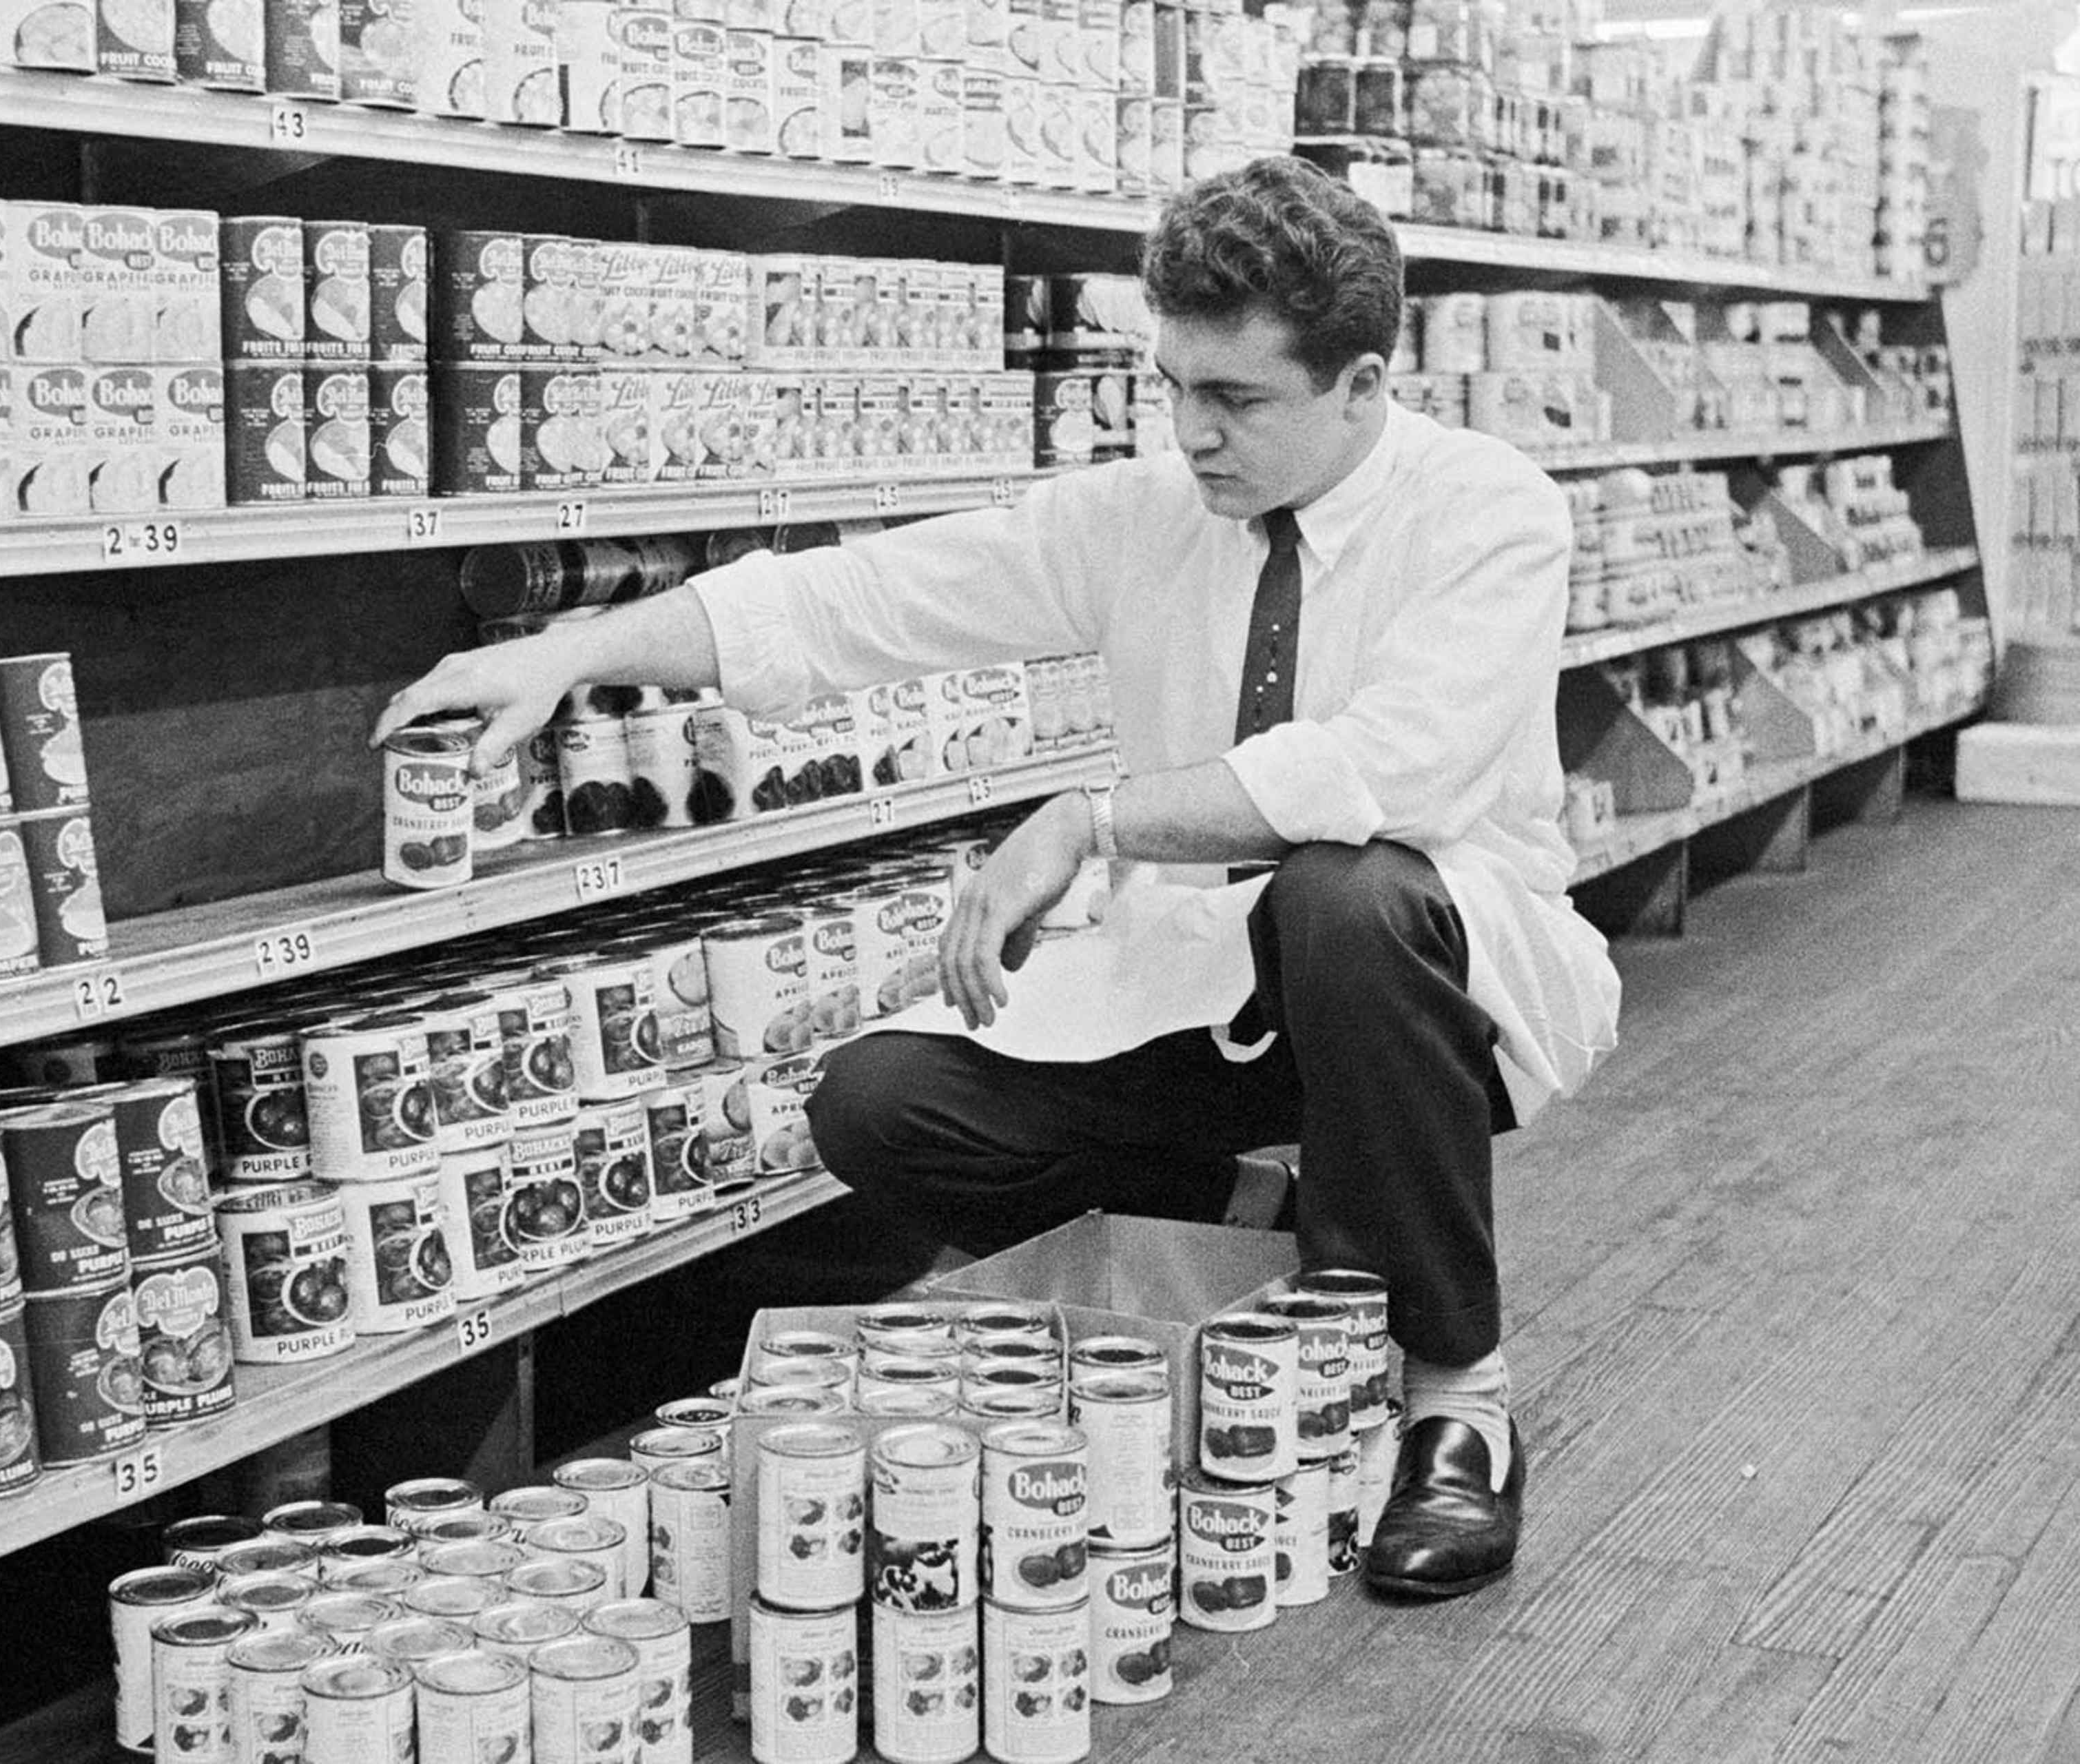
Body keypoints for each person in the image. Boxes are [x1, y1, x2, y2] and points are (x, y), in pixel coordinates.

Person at [373, 155, 1623, 1599]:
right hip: (1201, 983)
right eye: (1172, 384)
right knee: (882, 1103)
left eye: (1237, 400)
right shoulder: (1154, 510)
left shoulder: (1489, 510)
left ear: (1363, 385)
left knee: (1348, 886)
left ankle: (1457, 1395)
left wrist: (1089, 818)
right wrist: (570, 649)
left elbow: (1380, 772)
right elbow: (862, 598)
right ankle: (1290, 1233)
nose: (1192, 433)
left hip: (1418, 986)